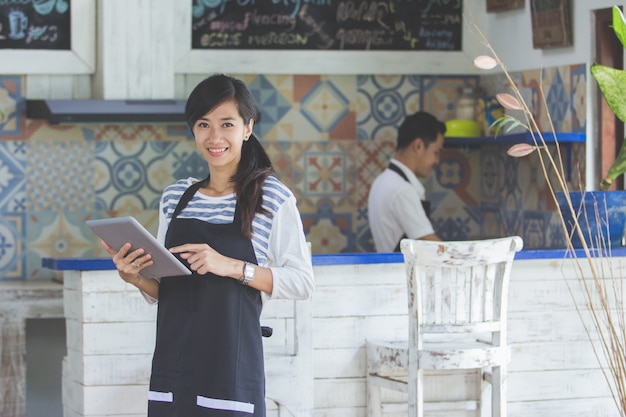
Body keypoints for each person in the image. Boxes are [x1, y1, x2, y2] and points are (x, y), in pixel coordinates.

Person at [101, 74, 315, 417]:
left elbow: (303, 282)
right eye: (203, 124)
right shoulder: (175, 198)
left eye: (226, 124)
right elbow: (167, 288)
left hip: (230, 368)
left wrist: (229, 265)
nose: (214, 137)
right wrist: (136, 277)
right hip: (175, 363)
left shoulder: (272, 197)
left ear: (247, 128)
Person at [368, 111, 446, 252]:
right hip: (400, 272)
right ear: (418, 146)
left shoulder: (381, 181)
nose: (437, 161)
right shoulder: (402, 190)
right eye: (436, 152)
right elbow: (433, 247)